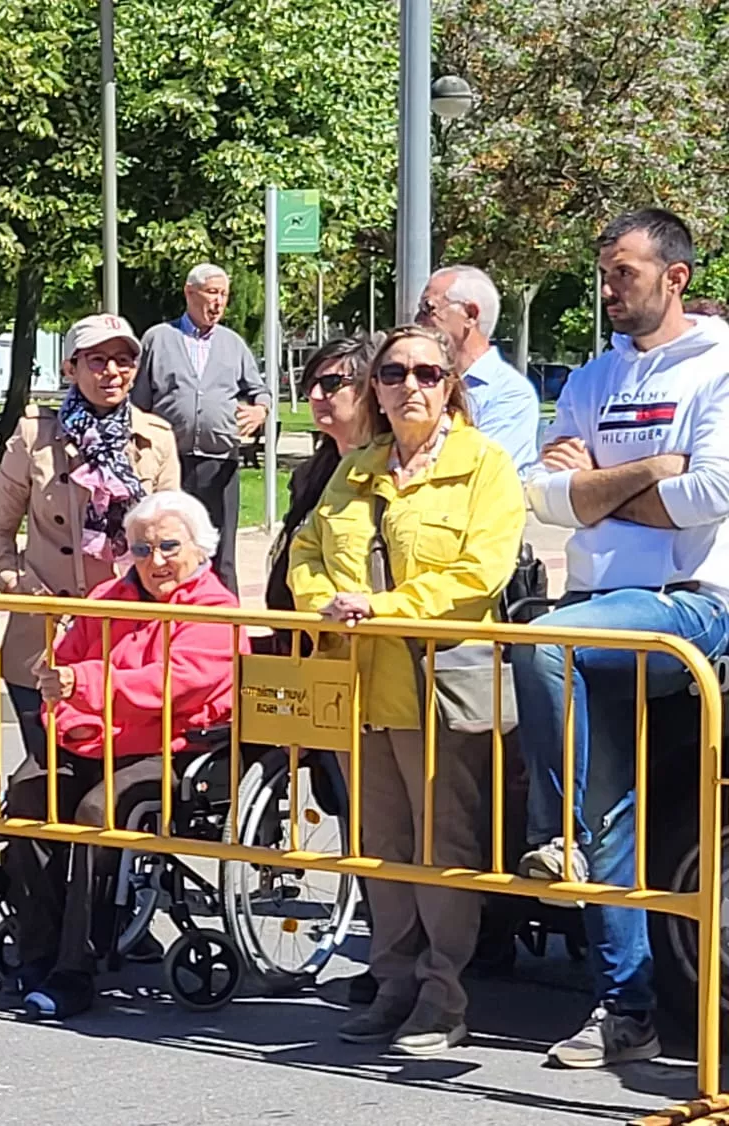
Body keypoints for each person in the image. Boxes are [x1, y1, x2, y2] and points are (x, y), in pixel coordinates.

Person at [515, 209, 729, 1069]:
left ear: (674, 276)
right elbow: (545, 497)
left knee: (541, 646)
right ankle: (625, 1008)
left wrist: (596, 483)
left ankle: (549, 827)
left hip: (687, 603)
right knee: (610, 822)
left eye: (624, 273)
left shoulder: (718, 367)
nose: (607, 288)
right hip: (593, 603)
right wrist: (647, 472)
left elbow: (711, 495)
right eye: (604, 271)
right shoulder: (591, 378)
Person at [289, 323, 524, 1056]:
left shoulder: (483, 464)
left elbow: (480, 572)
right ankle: (391, 983)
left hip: (440, 681)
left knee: (442, 845)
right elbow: (306, 546)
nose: (410, 386)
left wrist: (379, 607)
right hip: (360, 681)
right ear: (377, 388)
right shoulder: (356, 466)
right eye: (394, 374)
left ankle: (442, 995)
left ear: (450, 383)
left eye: (427, 372)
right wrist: (319, 597)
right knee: (383, 845)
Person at [4, 491, 239, 1019]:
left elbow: (177, 684)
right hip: (95, 737)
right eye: (141, 548)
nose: (155, 561)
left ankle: (76, 968)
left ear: (201, 549)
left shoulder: (216, 610)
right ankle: (37, 952)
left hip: (170, 747)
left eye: (169, 547)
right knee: (28, 794)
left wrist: (86, 686)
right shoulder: (110, 596)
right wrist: (70, 714)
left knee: (97, 812)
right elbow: (56, 678)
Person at [0, 313, 180, 761]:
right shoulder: (34, 435)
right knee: (47, 774)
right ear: (70, 368)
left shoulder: (156, 438)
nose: (112, 372)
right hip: (44, 638)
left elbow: (173, 540)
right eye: (97, 360)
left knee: (115, 781)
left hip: (126, 640)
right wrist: (20, 583)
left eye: (123, 360)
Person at [134, 263, 268, 589]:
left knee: (221, 552)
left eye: (224, 294)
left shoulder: (233, 344)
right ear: (189, 293)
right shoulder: (158, 338)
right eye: (212, 292)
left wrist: (261, 410)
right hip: (171, 464)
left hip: (219, 461)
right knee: (168, 546)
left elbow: (258, 389)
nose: (218, 302)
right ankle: (170, 623)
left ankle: (227, 631)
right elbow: (138, 402)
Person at [261, 333, 381, 615]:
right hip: (305, 632)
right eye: (310, 385)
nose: (315, 396)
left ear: (370, 389)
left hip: (362, 631)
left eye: (331, 384)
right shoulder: (310, 473)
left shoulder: (392, 470)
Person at [418, 265, 540, 474]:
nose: (417, 321)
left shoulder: (510, 394)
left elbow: (477, 473)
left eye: (428, 309)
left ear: (470, 315)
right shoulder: (420, 383)